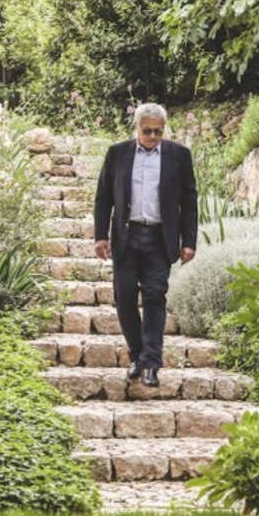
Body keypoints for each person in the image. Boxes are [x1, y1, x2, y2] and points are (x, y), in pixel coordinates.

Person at [94, 102, 198, 387]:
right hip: (126, 237)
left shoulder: (179, 155)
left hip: (159, 238)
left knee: (155, 297)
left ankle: (151, 363)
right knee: (124, 297)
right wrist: (100, 235)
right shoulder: (117, 154)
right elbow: (103, 197)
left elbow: (189, 200)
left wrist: (189, 241)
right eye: (147, 131)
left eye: (158, 131)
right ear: (137, 128)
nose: (153, 136)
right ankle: (137, 355)